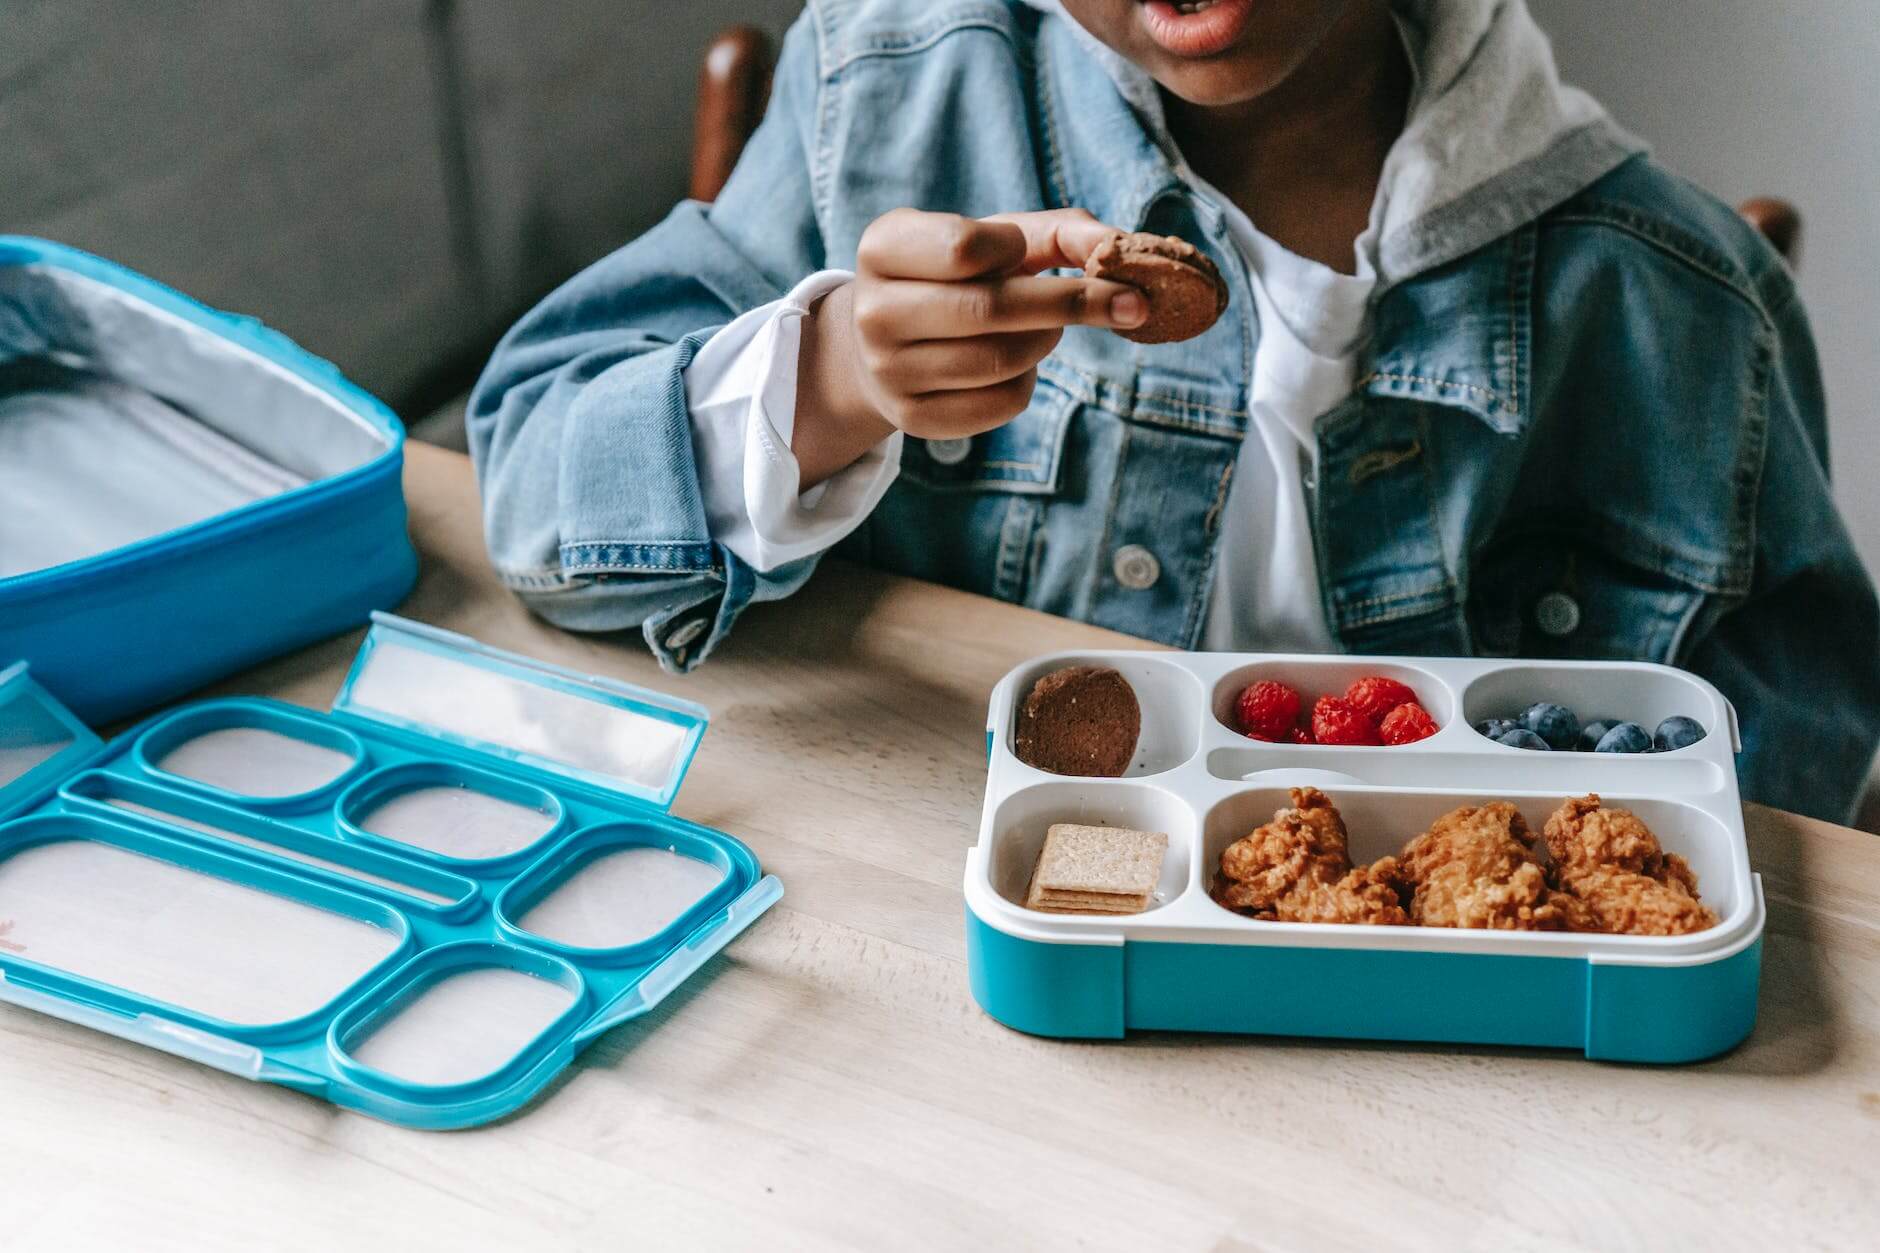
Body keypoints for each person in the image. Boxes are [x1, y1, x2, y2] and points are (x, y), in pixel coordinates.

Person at [467, 0, 1880, 823]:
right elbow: (530, 496)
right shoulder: (891, 97)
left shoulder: (1674, 303)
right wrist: (825, 378)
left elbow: (1805, 786)